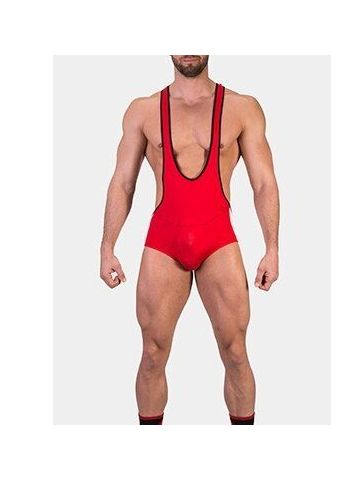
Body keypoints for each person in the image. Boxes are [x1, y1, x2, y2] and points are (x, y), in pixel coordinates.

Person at [100, 55, 280, 425]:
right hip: (164, 242)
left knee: (235, 352)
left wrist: (272, 248)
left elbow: (263, 182)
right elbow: (123, 182)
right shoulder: (143, 110)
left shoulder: (243, 108)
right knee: (152, 353)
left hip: (219, 241)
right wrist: (107, 246)